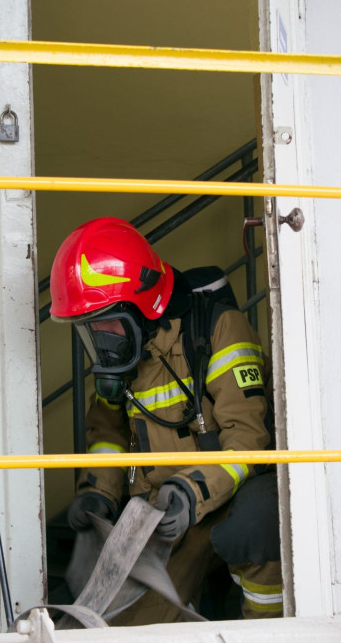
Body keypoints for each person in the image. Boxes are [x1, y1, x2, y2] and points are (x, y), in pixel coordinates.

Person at [49, 216, 282, 623]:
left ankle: (269, 628)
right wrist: (97, 491)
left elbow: (248, 439)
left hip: (223, 496)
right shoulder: (125, 351)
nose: (100, 337)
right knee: (131, 627)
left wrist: (193, 492)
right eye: (90, 328)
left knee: (258, 523)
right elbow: (108, 433)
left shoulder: (219, 328)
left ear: (143, 307)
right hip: (162, 513)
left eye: (105, 321)